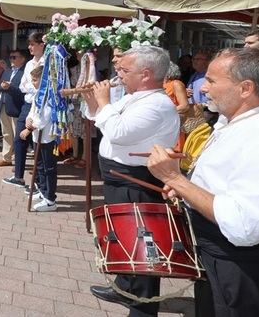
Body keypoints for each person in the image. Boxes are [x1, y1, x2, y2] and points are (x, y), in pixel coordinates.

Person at [147, 47, 259, 316]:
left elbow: (245, 225)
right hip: (219, 258)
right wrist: (187, 189)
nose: (204, 87)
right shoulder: (235, 122)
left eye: (213, 80)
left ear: (245, 88)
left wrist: (175, 179)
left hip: (238, 266)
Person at [83, 46, 180, 317]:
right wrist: (92, 100)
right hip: (118, 177)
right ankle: (124, 286)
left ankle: (143, 308)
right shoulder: (134, 97)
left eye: (125, 70)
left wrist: (103, 103)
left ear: (146, 74)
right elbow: (102, 120)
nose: (118, 74)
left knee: (142, 244)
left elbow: (118, 132)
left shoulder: (157, 104)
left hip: (138, 181)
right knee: (121, 237)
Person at [3, 33, 45, 188]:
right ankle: (18, 176)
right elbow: (22, 86)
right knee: (19, 139)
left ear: (42, 45)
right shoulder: (28, 64)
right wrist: (33, 87)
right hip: (27, 106)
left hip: (40, 106)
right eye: (29, 44)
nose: (29, 47)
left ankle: (39, 182)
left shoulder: (47, 62)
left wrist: (32, 88)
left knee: (37, 143)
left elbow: (42, 87)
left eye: (32, 44)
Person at [17, 65, 57, 211]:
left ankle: (50, 199)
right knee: (39, 165)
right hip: (36, 136)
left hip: (46, 136)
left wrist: (29, 128)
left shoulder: (48, 94)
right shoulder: (39, 93)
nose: (33, 82)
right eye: (32, 80)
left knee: (48, 167)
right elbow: (33, 111)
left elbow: (44, 117)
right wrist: (28, 119)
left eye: (35, 80)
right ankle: (42, 190)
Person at [0, 49, 26, 167]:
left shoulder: (24, 73)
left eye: (14, 57)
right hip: (3, 106)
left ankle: (18, 161)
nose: (11, 59)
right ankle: (6, 158)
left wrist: (9, 87)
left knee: (17, 136)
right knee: (6, 134)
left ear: (22, 59)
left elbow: (24, 92)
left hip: (16, 108)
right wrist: (2, 87)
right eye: (10, 57)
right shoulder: (6, 71)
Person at [163, 61, 189, 152]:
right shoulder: (160, 85)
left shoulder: (176, 84)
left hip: (172, 124)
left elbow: (185, 106)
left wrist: (165, 112)